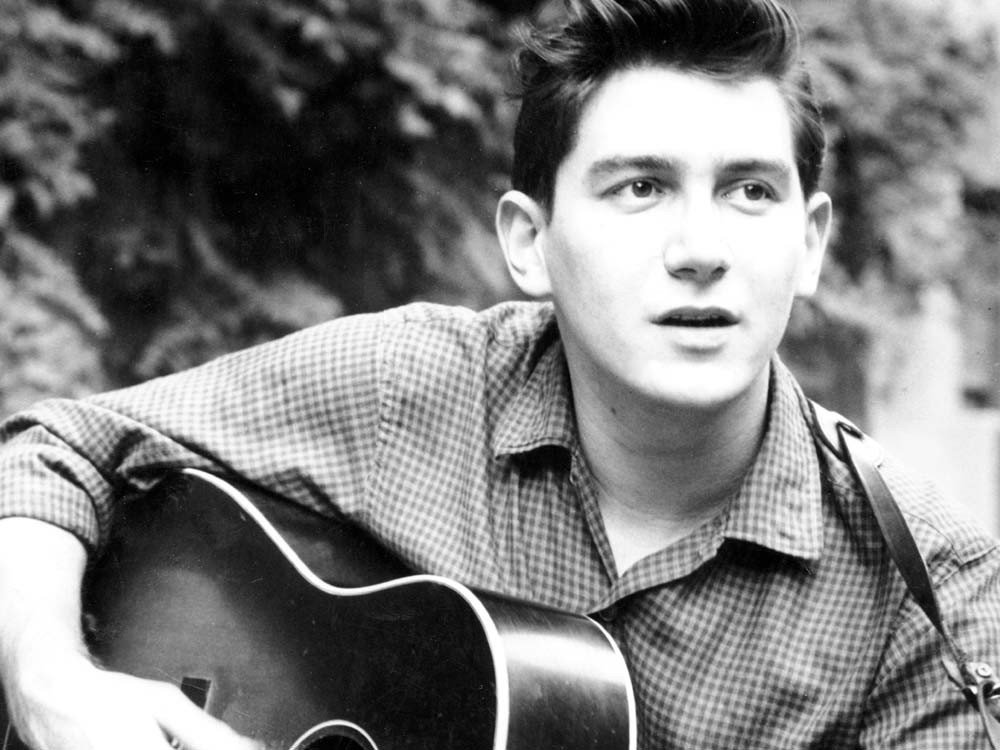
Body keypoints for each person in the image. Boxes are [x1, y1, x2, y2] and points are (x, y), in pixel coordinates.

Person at [0, 0, 997, 747]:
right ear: (528, 242)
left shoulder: (932, 601)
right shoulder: (405, 389)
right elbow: (53, 451)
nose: (700, 250)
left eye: (749, 192)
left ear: (809, 243)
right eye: (640, 187)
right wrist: (51, 682)